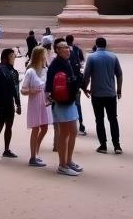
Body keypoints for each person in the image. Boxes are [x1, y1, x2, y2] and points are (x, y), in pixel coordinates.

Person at [81, 36, 123, 155]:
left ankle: (103, 145)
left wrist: (84, 88)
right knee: (113, 119)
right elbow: (119, 74)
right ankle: (117, 145)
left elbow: (86, 76)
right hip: (111, 94)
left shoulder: (92, 57)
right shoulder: (113, 56)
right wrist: (119, 90)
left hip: (97, 94)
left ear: (96, 44)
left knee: (99, 120)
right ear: (105, 45)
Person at [46, 39, 82, 175]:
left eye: (67, 47)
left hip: (70, 101)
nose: (67, 49)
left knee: (73, 131)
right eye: (63, 48)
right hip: (61, 102)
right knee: (64, 133)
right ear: (57, 50)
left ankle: (69, 161)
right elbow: (49, 85)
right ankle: (62, 165)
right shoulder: (55, 65)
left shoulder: (67, 62)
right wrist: (51, 98)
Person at [0, 47, 21, 164]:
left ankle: (6, 150)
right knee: (1, 124)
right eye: (12, 56)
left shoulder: (11, 70)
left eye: (14, 56)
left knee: (9, 126)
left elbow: (15, 89)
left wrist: (18, 103)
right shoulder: (1, 70)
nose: (14, 58)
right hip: (2, 101)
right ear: (5, 58)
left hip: (9, 101)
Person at [20, 44, 52, 166]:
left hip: (44, 103)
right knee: (35, 128)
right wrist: (31, 91)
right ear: (39, 56)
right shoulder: (30, 72)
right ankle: (33, 157)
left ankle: (36, 151)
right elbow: (23, 90)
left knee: (44, 128)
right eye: (44, 55)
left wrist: (50, 97)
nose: (46, 57)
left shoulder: (45, 70)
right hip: (35, 103)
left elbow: (48, 88)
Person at [65, 34, 87, 135]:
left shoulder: (63, 51)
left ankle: (68, 125)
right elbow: (82, 63)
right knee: (77, 104)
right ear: (73, 40)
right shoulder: (77, 50)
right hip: (76, 82)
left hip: (66, 84)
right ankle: (80, 125)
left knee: (67, 104)